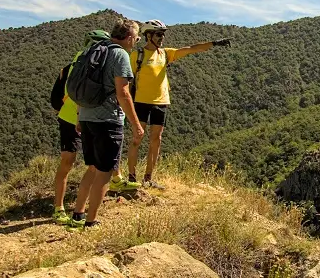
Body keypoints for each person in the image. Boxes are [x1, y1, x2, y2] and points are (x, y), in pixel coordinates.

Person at [126, 19, 231, 189]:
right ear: (149, 35)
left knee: (156, 139)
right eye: (159, 34)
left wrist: (213, 44)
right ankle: (131, 178)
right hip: (140, 102)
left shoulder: (165, 54)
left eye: (163, 34)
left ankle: (148, 177)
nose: (162, 38)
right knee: (137, 139)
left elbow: (190, 49)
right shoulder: (137, 56)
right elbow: (128, 80)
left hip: (161, 102)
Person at [51, 30, 141, 225]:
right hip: (105, 119)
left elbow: (77, 91)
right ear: (129, 37)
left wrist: (79, 117)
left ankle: (76, 215)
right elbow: (123, 93)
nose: (136, 41)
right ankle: (91, 221)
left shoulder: (84, 56)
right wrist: (136, 125)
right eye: (137, 37)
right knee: (103, 172)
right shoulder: (118, 54)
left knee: (92, 168)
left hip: (84, 117)